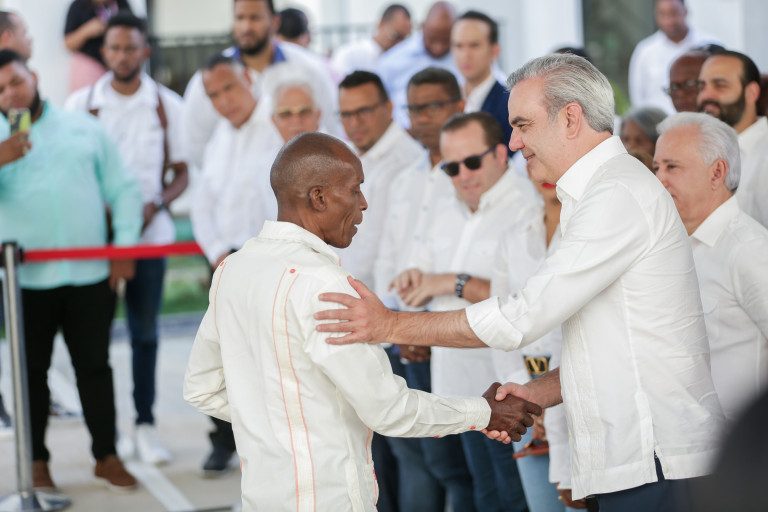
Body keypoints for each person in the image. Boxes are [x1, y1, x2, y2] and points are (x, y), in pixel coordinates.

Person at [315, 53, 725, 512]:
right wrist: (535, 393)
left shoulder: (616, 193)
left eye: (523, 125)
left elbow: (522, 317)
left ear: (571, 118)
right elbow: (612, 347)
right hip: (639, 457)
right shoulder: (596, 193)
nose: (513, 143)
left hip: (658, 455)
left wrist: (390, 324)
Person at [183, 131, 541, 512]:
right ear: (318, 197)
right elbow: (388, 409)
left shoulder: (232, 269)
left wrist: (275, 420)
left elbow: (200, 388)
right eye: (354, 190)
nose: (364, 203)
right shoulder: (324, 284)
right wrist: (484, 412)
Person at [0, 49, 142, 492]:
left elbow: (124, 188)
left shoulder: (83, 127)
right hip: (25, 283)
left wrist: (124, 246)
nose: (10, 94)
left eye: (15, 81)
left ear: (33, 76)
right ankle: (36, 464)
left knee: (95, 367)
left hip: (89, 276)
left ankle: (107, 455)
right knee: (30, 376)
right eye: (0, 89)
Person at [392, 111, 538, 511]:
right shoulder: (447, 208)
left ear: (500, 154)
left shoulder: (527, 207)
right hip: (455, 388)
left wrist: (452, 282)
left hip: (507, 390)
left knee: (514, 499)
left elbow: (529, 304)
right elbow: (416, 281)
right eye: (452, 167)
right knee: (478, 493)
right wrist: (412, 281)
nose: (463, 175)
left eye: (472, 162)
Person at [64, 12, 188, 465]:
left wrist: (155, 204)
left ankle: (145, 424)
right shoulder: (81, 104)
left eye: (130, 47)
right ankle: (107, 431)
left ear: (145, 51)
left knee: (145, 334)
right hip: (96, 240)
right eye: (114, 48)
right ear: (104, 52)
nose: (122, 56)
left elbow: (182, 172)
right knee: (93, 340)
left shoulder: (167, 105)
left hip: (150, 238)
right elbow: (69, 170)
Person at [372, 67, 472, 512]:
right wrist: (398, 329)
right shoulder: (406, 178)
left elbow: (469, 263)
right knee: (429, 460)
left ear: (459, 106)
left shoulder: (472, 174)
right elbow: (389, 258)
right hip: (404, 339)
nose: (422, 117)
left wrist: (422, 328)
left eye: (433, 106)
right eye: (415, 108)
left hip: (454, 337)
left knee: (467, 465)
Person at [654, 112, 768, 421]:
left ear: (717, 173)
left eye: (672, 167)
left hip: (741, 444)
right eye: (656, 167)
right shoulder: (670, 247)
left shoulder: (748, 249)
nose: (659, 179)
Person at [189, 54, 273, 475]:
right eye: (213, 95)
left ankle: (267, 448)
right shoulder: (218, 139)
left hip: (269, 266)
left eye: (229, 88)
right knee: (222, 360)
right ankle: (224, 440)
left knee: (267, 364)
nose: (224, 101)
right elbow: (202, 205)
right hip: (224, 264)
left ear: (248, 80)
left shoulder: (277, 126)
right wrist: (218, 251)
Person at [491, 160, 583, 512]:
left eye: (555, 162)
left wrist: (544, 397)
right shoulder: (513, 235)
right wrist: (528, 397)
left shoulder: (588, 230)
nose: (546, 174)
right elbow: (499, 323)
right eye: (536, 162)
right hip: (522, 399)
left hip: (577, 397)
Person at [181, 0, 341, 168]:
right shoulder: (211, 77)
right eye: (240, 18)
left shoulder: (308, 69)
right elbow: (195, 144)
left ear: (275, 22)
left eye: (255, 18)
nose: (246, 27)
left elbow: (331, 129)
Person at [334, 70, 423, 290]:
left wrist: (331, 285)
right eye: (346, 114)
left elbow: (373, 251)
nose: (354, 122)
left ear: (389, 108)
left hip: (371, 293)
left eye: (363, 111)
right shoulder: (347, 152)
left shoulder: (405, 162)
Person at [697, 50, 768, 229]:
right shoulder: (697, 146)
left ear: (751, 92)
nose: (706, 96)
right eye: (702, 86)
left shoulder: (764, 154)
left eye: (720, 86)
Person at [377, 1, 459, 128]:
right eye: (432, 39)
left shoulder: (464, 58)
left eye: (446, 40)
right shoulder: (393, 60)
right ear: (423, 27)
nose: (438, 47)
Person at [628, 0, 716, 113]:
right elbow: (638, 97)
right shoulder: (645, 51)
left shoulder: (709, 45)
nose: (669, 21)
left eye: (674, 13)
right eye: (662, 14)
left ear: (685, 12)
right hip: (658, 122)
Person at [451, 10, 512, 154]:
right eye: (458, 46)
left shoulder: (510, 104)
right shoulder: (447, 99)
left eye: (474, 45)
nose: (465, 55)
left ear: (494, 51)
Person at [64, 0, 132, 91]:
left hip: (117, 67)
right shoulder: (78, 6)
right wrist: (87, 31)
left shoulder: (121, 3)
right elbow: (68, 44)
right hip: (88, 67)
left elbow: (133, 32)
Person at [331, 4, 412, 78]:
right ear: (381, 24)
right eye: (396, 36)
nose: (399, 43)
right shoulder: (349, 55)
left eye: (404, 39)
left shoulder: (406, 59)